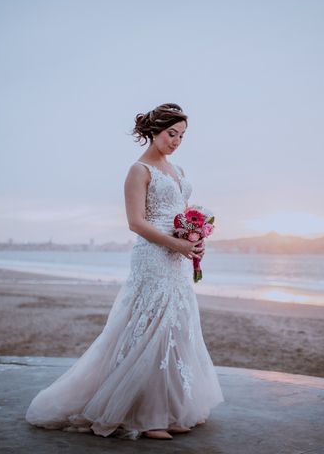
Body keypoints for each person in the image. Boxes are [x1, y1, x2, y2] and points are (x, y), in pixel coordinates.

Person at [24, 103, 224, 440]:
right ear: (154, 131)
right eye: (171, 133)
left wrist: (194, 239)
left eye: (182, 135)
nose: (176, 141)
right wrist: (174, 245)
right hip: (152, 257)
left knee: (176, 326)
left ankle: (172, 408)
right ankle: (148, 418)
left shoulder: (179, 171)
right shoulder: (139, 170)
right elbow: (136, 222)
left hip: (176, 260)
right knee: (149, 328)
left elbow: (182, 214)